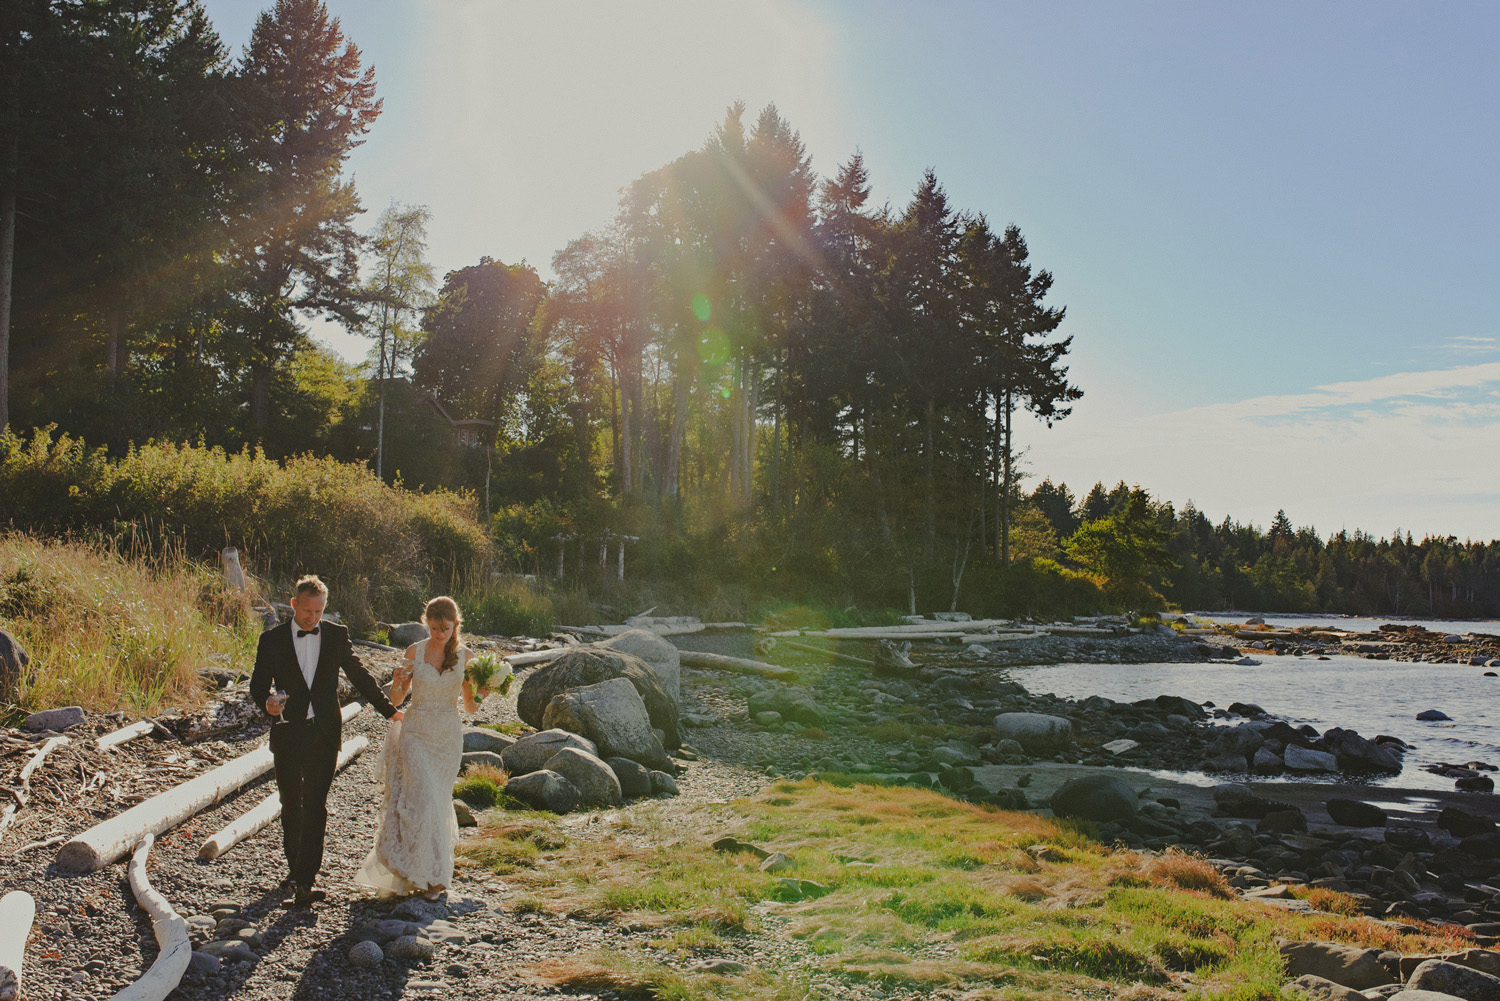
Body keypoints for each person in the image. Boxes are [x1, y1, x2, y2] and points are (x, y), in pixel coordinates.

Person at [249, 575, 401, 908]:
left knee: (315, 806)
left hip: (324, 733)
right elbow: (258, 685)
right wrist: (268, 703)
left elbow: (360, 675)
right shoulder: (271, 639)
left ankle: (305, 881)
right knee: (291, 805)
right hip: (288, 732)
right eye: (306, 611)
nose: (312, 618)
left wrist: (389, 711)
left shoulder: (336, 636)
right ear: (293, 605)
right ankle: (294, 871)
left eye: (318, 612)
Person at [356, 595, 487, 899]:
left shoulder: (467, 657)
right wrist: (399, 682)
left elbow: (470, 707)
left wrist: (482, 692)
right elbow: (398, 700)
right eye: (433, 628)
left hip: (447, 736)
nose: (440, 634)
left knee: (437, 802)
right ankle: (415, 871)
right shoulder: (414, 651)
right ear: (425, 624)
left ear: (456, 625)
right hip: (415, 732)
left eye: (446, 628)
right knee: (421, 799)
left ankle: (433, 874)